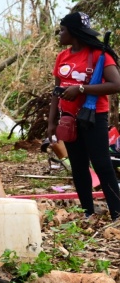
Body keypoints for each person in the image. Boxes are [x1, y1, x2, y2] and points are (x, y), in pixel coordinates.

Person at [44, 12, 120, 219]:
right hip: (68, 118)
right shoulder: (63, 56)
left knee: (102, 164)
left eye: (62, 30)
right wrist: (52, 122)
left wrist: (81, 89)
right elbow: (56, 90)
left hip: (93, 116)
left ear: (74, 33)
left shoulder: (98, 55)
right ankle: (88, 211)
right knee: (78, 167)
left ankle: (117, 213)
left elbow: (116, 84)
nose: (59, 34)